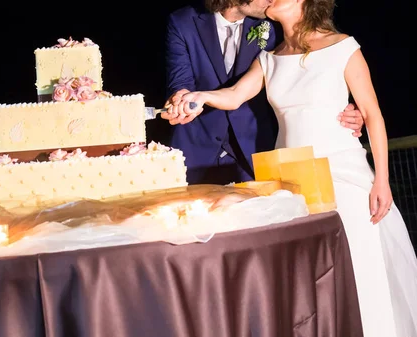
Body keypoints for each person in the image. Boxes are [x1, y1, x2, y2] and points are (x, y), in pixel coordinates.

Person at [163, 0, 417, 335]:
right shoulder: (269, 57)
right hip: (289, 178)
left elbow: (372, 115)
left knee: (358, 262)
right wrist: (200, 97)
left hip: (341, 170)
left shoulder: (343, 47)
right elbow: (235, 95)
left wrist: (381, 180)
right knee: (305, 275)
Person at [163, 0, 364, 185]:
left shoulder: (276, 23)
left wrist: (342, 109)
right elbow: (181, 81)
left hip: (256, 152)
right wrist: (182, 100)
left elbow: (310, 71)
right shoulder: (183, 21)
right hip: (197, 148)